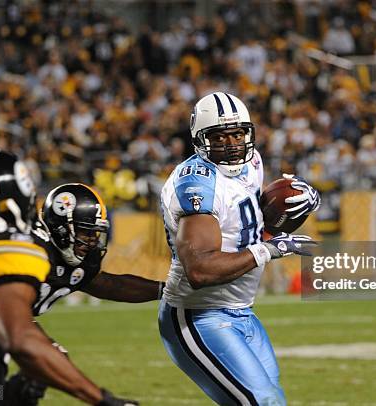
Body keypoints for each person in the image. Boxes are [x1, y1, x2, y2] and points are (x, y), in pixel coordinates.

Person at [0, 147, 137, 405]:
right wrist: (102, 400)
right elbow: (20, 338)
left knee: (14, 391)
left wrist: (9, 394)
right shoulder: (5, 247)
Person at [158, 92, 320, 405]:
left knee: (272, 400)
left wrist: (291, 205)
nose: (232, 143)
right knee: (262, 402)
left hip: (241, 310)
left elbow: (251, 227)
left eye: (237, 133)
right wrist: (268, 250)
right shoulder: (197, 184)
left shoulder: (253, 163)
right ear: (200, 141)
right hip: (198, 315)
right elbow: (200, 271)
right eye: (220, 136)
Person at [6, 182, 166, 405]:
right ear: (60, 227)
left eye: (95, 233)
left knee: (31, 379)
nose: (91, 241)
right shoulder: (29, 251)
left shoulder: (71, 257)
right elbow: (9, 312)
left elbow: (104, 284)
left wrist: (166, 291)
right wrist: (103, 400)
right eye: (86, 232)